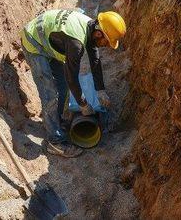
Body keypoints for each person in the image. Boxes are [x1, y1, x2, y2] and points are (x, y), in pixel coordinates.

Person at [21, 9, 126, 158]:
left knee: (62, 87)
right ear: (99, 33)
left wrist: (100, 90)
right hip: (35, 42)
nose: (106, 45)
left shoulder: (90, 26)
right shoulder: (76, 43)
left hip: (48, 39)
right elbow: (72, 78)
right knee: (50, 94)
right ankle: (55, 142)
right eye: (107, 42)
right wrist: (83, 104)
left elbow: (95, 61)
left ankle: (57, 121)